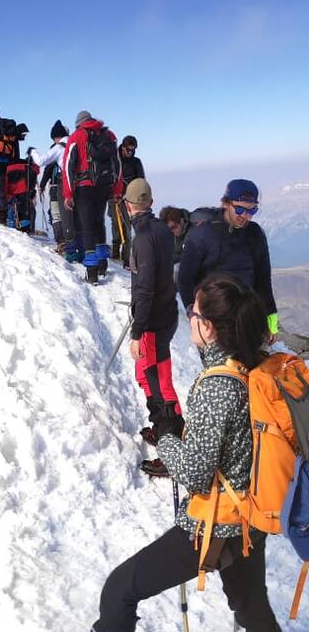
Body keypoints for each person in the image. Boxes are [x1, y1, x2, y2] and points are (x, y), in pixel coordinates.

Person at [36, 273, 289, 632]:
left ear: (208, 327)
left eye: (194, 313)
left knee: (121, 588)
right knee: (253, 608)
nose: (190, 319)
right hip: (251, 516)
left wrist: (168, 439)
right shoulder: (254, 366)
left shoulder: (217, 384)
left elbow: (195, 474)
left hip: (214, 526)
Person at [123, 179, 182, 462]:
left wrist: (137, 332)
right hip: (166, 314)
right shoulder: (161, 229)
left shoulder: (143, 238)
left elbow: (145, 288)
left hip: (153, 323)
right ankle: (162, 430)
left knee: (158, 382)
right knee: (146, 376)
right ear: (151, 202)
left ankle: (173, 449)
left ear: (127, 205)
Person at [177, 179, 278, 337]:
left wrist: (271, 319)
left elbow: (263, 278)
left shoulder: (255, 234)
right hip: (212, 320)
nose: (245, 216)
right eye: (239, 209)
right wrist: (193, 314)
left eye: (252, 210)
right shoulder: (202, 235)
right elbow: (185, 278)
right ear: (225, 203)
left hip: (246, 317)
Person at [63, 110, 121, 284]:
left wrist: (68, 193)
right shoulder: (109, 135)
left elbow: (68, 167)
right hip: (104, 186)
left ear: (78, 123)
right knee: (99, 221)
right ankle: (103, 263)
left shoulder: (76, 136)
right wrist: (117, 190)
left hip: (84, 188)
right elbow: (117, 164)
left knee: (87, 226)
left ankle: (92, 271)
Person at [110, 135, 146, 262]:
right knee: (116, 224)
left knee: (127, 227)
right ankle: (115, 254)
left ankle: (126, 259)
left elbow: (141, 181)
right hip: (113, 197)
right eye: (128, 150)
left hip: (129, 199)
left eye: (133, 150)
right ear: (123, 147)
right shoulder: (113, 159)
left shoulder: (136, 162)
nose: (131, 152)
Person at [38, 120, 71, 251]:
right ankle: (72, 241)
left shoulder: (56, 149)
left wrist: (42, 185)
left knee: (56, 214)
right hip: (71, 185)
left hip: (56, 185)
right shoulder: (72, 147)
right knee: (69, 213)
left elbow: (48, 169)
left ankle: (61, 241)